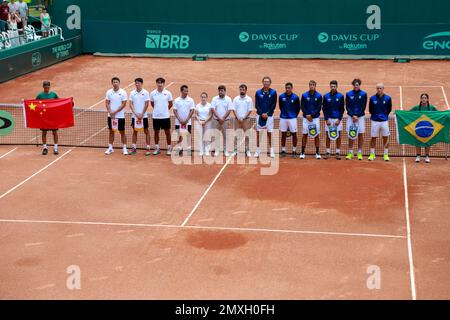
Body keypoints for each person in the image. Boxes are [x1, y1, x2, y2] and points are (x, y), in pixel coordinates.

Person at [410, 93, 438, 163]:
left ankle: (427, 156)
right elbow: (408, 113)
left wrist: (446, 114)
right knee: (418, 141)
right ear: (421, 99)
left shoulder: (432, 108)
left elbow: (438, 114)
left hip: (428, 128)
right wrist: (398, 113)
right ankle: (418, 156)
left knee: (428, 142)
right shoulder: (416, 107)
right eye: (422, 98)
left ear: (427, 99)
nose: (424, 99)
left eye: (425, 98)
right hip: (419, 127)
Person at [368, 83, 392, 161]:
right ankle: (372, 154)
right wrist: (375, 115)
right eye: (377, 88)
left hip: (384, 121)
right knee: (373, 138)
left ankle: (385, 154)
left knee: (385, 137)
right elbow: (370, 109)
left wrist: (384, 115)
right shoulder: (372, 98)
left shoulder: (388, 98)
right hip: (374, 121)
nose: (379, 90)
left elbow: (389, 109)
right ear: (376, 89)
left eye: (380, 88)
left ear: (383, 89)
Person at [104, 77, 128, 155]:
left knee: (122, 132)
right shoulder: (108, 92)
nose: (115, 83)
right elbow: (107, 103)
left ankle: (124, 148)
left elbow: (124, 104)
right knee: (111, 132)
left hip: (120, 116)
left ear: (119, 83)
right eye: (114, 82)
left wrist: (115, 112)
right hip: (111, 116)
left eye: (116, 82)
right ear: (112, 83)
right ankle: (110, 148)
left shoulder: (123, 92)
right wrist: (110, 112)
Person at [150, 77, 173, 155]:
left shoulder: (168, 93)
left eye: (161, 83)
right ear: (156, 84)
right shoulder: (153, 93)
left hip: (165, 117)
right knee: (156, 132)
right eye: (158, 83)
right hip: (156, 117)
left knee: (167, 133)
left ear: (164, 84)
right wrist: (157, 110)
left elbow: (170, 104)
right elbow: (152, 104)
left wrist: (165, 110)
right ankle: (157, 148)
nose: (160, 84)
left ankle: (169, 148)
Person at [345, 79, 368, 160]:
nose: (356, 86)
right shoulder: (348, 94)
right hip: (351, 117)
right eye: (355, 85)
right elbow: (347, 106)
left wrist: (357, 115)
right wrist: (352, 115)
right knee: (351, 134)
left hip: (360, 117)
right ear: (353, 85)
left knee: (360, 134)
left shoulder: (364, 94)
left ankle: (359, 153)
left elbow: (363, 106)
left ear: (359, 85)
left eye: (357, 85)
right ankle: (350, 153)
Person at [254, 76, 277, 158]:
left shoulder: (273, 92)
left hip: (269, 116)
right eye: (265, 81)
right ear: (262, 82)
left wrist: (267, 114)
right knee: (259, 133)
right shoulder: (258, 92)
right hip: (259, 116)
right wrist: (261, 113)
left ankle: (271, 151)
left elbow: (273, 105)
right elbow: (256, 105)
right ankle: (258, 150)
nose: (266, 83)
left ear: (270, 83)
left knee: (269, 133)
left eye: (267, 82)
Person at [322, 80, 345, 160]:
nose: (333, 88)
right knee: (328, 135)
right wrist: (326, 119)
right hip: (329, 119)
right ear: (330, 86)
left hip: (337, 120)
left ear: (337, 86)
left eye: (334, 86)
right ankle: (327, 152)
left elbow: (342, 109)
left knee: (338, 136)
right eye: (332, 86)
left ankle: (337, 152)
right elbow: (324, 108)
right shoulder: (326, 96)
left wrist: (339, 119)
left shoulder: (341, 96)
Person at [300, 80, 322, 159]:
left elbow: (319, 107)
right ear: (309, 86)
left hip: (315, 119)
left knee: (316, 135)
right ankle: (302, 152)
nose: (312, 86)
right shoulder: (304, 95)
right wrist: (307, 115)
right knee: (304, 135)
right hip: (306, 118)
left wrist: (311, 115)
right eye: (310, 85)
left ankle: (317, 153)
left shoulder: (319, 96)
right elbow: (302, 106)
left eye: (313, 85)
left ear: (315, 85)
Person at [129, 77, 151, 156]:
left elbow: (147, 104)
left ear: (142, 84)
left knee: (146, 131)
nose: (137, 84)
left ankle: (148, 148)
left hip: (143, 116)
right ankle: (134, 148)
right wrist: (136, 114)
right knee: (135, 131)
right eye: (136, 83)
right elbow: (130, 104)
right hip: (135, 116)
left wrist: (141, 114)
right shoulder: (132, 93)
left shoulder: (145, 92)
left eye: (138, 83)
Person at [36, 80, 59, 155]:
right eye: (45, 87)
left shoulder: (54, 94)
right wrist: (24, 102)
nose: (47, 88)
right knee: (44, 132)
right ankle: (45, 148)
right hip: (44, 118)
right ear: (43, 87)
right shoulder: (40, 95)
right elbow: (34, 104)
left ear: (49, 87)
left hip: (53, 117)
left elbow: (59, 102)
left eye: (48, 87)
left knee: (54, 132)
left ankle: (55, 148)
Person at [279, 82, 300, 158]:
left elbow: (298, 108)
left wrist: (294, 115)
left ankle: (294, 151)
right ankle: (283, 150)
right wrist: (285, 114)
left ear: (291, 88)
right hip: (283, 118)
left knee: (294, 134)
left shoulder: (296, 97)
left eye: (289, 88)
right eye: (286, 88)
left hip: (292, 118)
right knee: (283, 134)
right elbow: (281, 106)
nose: (287, 89)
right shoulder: (281, 97)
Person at [211, 85, 233, 157]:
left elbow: (229, 110)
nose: (220, 92)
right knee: (216, 135)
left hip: (225, 121)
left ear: (225, 91)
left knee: (225, 136)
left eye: (222, 90)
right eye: (219, 90)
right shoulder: (214, 99)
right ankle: (217, 150)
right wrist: (219, 117)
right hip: (216, 120)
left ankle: (225, 150)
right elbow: (213, 109)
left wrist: (223, 118)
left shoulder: (228, 99)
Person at [232, 84, 253, 157]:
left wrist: (243, 118)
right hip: (237, 120)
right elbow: (234, 109)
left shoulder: (249, 99)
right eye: (241, 89)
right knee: (236, 135)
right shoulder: (235, 99)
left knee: (247, 135)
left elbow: (250, 110)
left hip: (246, 120)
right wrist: (238, 117)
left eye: (243, 89)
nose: (242, 90)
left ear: (246, 90)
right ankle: (235, 150)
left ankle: (247, 150)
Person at [173, 85, 195, 155]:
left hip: (187, 122)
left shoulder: (190, 100)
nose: (186, 92)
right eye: (185, 91)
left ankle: (188, 149)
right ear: (181, 91)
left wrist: (187, 120)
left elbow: (192, 110)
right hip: (178, 122)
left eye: (187, 91)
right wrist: (179, 119)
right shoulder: (176, 100)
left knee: (188, 135)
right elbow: (174, 110)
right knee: (179, 135)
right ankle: (179, 149)